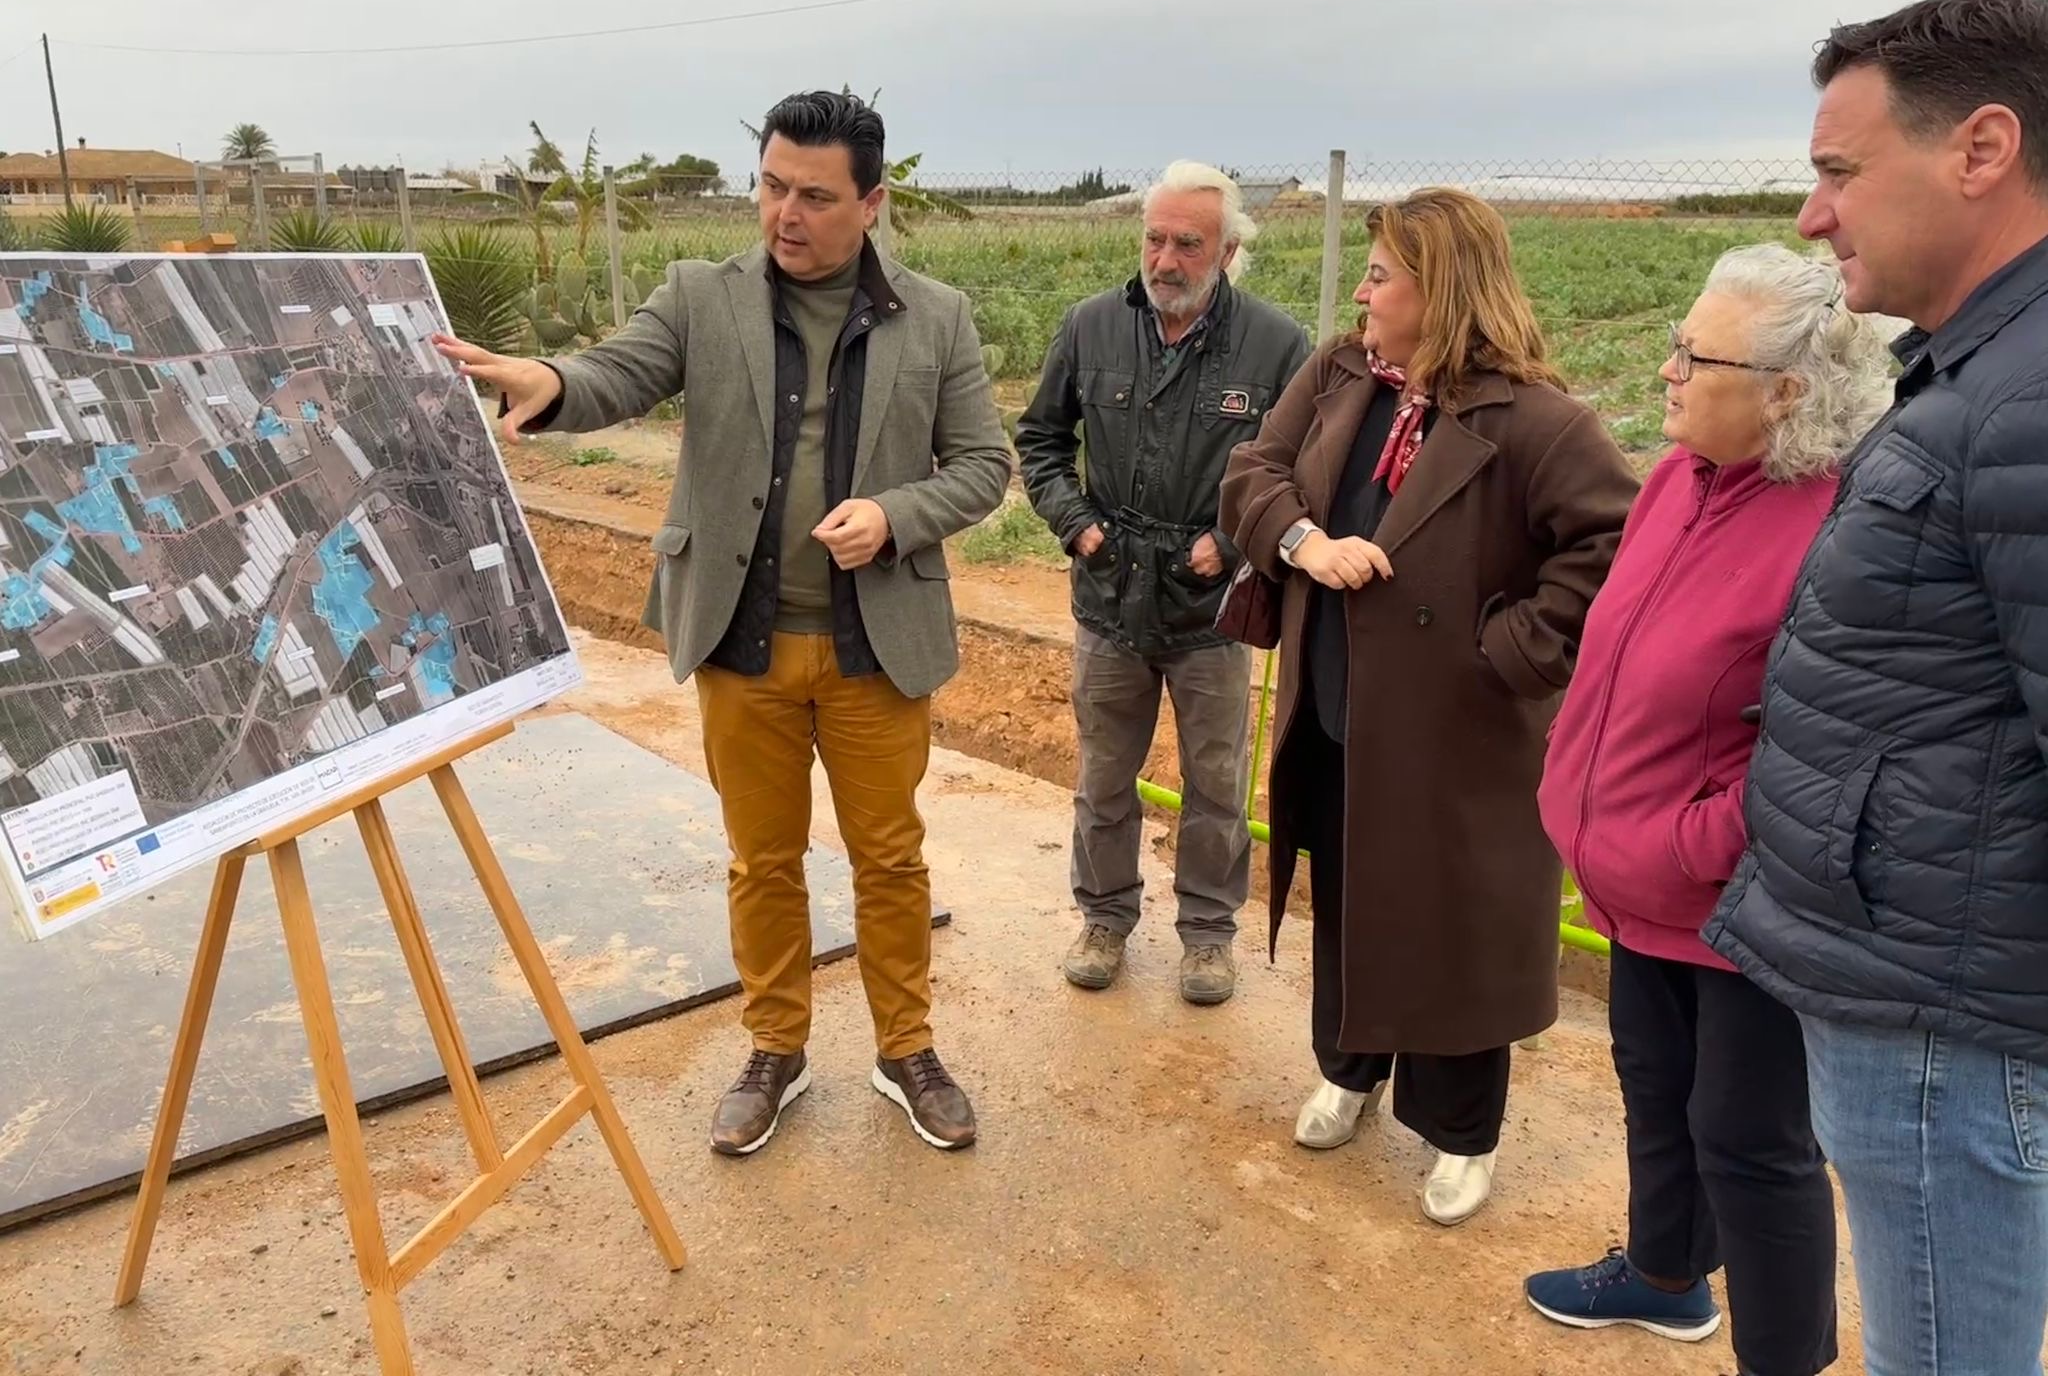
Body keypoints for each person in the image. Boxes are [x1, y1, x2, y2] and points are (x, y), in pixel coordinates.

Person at [434, 90, 1011, 1155]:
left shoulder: (937, 317)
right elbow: (616, 373)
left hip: (873, 646)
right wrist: (547, 381)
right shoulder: (701, 296)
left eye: (815, 196)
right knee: (762, 858)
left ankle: (905, 1049)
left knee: (888, 859)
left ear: (871, 203)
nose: (785, 214)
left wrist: (894, 514)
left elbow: (983, 465)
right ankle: (775, 1048)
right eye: (771, 186)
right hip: (740, 643)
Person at [1701, 0, 2048, 1375]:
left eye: (1840, 173)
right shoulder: (1982, 374)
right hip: (1923, 988)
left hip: (1946, 1025)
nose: (1812, 215)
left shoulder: (2025, 404)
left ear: (1980, 150)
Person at [1219, 187, 1636, 1224]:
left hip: (1457, 732)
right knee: (1353, 892)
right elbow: (1254, 469)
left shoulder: (1534, 417)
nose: (1360, 292)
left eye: (1379, 275)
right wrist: (1299, 542)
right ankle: (1348, 1069)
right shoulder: (1341, 375)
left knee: (1457, 919)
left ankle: (1459, 1131)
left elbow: (1610, 545)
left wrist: (1508, 649)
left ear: (1438, 288)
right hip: (1337, 707)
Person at [1524, 244, 1892, 1374]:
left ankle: (1783, 1359)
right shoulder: (1679, 479)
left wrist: (1683, 843)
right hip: (1639, 876)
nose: (1666, 369)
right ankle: (1663, 1276)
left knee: (1750, 1145)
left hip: (1741, 904)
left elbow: (1821, 751)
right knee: (1655, 1090)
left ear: (1785, 390)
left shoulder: (1840, 526)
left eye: (1695, 354)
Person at [1015, 162, 1310, 1004]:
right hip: (1109, 598)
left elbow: (1297, 471)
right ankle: (1104, 918)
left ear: (1227, 251)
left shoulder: (1274, 344)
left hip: (1213, 609)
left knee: (1215, 784)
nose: (1167, 259)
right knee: (1105, 776)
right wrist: (1079, 525)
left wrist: (1233, 541)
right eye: (1155, 238)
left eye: (1188, 243)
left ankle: (1209, 936)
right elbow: (1039, 441)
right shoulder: (1091, 328)